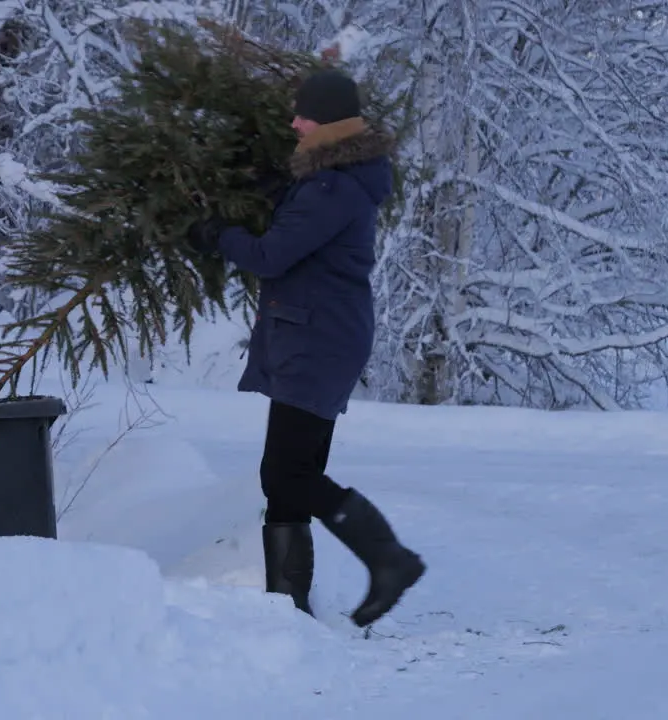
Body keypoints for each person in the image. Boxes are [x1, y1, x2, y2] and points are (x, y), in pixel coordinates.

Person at [205, 69, 426, 626]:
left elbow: (269, 256)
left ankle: (390, 560)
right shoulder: (330, 180)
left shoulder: (333, 187)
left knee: (287, 475)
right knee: (290, 473)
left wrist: (215, 235)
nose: (293, 122)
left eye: (303, 113)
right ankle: (290, 610)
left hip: (318, 339)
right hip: (318, 333)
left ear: (328, 123)